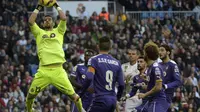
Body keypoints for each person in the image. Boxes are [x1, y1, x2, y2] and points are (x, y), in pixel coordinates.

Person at [26, 2, 84, 112]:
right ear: (42, 24)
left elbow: (63, 18)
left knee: (74, 96)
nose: (47, 20)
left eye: (49, 19)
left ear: (53, 22)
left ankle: (82, 110)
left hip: (58, 71)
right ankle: (29, 110)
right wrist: (38, 7)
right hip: (43, 71)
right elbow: (30, 21)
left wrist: (56, 5)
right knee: (30, 96)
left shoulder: (59, 31)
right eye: (45, 20)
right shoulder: (39, 32)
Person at [80, 36, 125, 112]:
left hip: (100, 100)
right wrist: (117, 98)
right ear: (110, 47)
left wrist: (81, 93)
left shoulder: (94, 60)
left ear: (98, 46)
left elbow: (89, 78)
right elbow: (121, 84)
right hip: (112, 101)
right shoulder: (117, 63)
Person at [138, 41, 169, 112]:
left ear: (147, 54)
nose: (144, 55)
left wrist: (144, 95)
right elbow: (152, 86)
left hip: (157, 101)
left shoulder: (156, 67)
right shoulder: (150, 67)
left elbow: (158, 87)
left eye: (144, 53)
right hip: (152, 100)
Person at [159, 44, 182, 110]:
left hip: (166, 96)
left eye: (162, 50)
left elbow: (178, 81)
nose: (160, 52)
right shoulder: (158, 65)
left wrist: (166, 86)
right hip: (156, 95)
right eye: (159, 51)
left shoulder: (172, 64)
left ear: (168, 52)